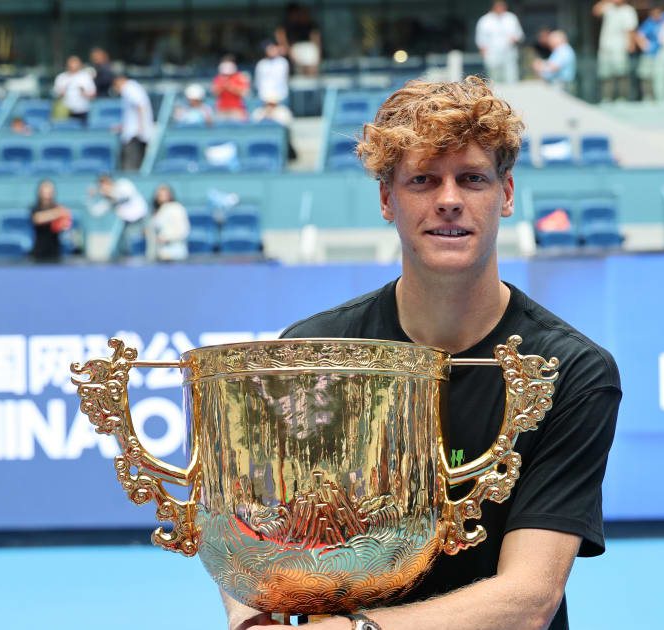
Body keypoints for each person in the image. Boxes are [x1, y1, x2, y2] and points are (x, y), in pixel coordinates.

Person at [234, 77, 621, 630]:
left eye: (472, 178)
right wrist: (250, 621)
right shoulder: (310, 355)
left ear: (506, 194)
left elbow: (529, 598)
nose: (449, 200)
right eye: (422, 180)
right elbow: (247, 527)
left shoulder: (570, 372)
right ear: (387, 200)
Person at [90, 173, 148, 256]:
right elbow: (95, 212)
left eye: (106, 183)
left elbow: (126, 195)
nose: (104, 187)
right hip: (128, 224)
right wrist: (91, 198)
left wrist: (110, 193)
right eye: (101, 185)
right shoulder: (109, 200)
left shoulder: (123, 183)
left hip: (143, 220)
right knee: (121, 246)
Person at [594, 0, 638, 103]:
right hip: (605, 46)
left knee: (621, 72)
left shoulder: (628, 10)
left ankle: (622, 98)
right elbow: (596, 11)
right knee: (605, 73)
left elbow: (631, 29)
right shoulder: (609, 7)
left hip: (620, 46)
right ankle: (607, 97)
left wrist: (631, 44)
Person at [475, 1, 524, 85]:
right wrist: (485, 56)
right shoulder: (485, 20)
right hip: (492, 55)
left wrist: (514, 39)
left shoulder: (511, 18)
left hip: (509, 54)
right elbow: (480, 40)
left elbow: (519, 35)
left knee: (511, 79)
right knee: (495, 81)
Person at [113, 75, 154, 171]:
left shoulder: (129, 88)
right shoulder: (132, 88)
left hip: (135, 134)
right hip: (136, 132)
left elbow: (140, 106)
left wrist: (141, 127)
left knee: (131, 166)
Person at [30, 179, 72, 262]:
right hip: (39, 252)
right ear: (40, 191)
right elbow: (37, 218)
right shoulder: (35, 207)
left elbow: (65, 224)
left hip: (55, 251)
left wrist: (64, 222)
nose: (47, 192)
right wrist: (57, 213)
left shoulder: (57, 207)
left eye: (50, 189)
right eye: (45, 188)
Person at [276, 3, 321, 77]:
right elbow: (281, 38)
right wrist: (289, 52)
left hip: (308, 48)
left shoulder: (310, 25)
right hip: (294, 49)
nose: (298, 15)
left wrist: (318, 52)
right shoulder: (285, 25)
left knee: (311, 58)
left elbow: (315, 38)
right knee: (300, 72)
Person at [147, 184, 190, 262]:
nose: (162, 197)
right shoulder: (156, 212)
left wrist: (166, 238)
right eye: (159, 195)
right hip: (159, 252)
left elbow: (184, 231)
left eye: (164, 195)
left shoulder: (176, 208)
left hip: (175, 251)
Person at [53, 55, 97, 124]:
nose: (73, 65)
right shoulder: (61, 77)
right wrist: (62, 91)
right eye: (71, 63)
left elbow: (93, 94)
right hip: (65, 111)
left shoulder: (85, 77)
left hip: (82, 110)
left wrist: (83, 92)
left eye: (75, 63)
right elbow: (55, 94)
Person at [212, 56, 251, 123]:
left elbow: (245, 92)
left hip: (236, 109)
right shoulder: (218, 78)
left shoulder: (240, 77)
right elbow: (214, 92)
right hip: (222, 109)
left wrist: (230, 87)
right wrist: (222, 87)